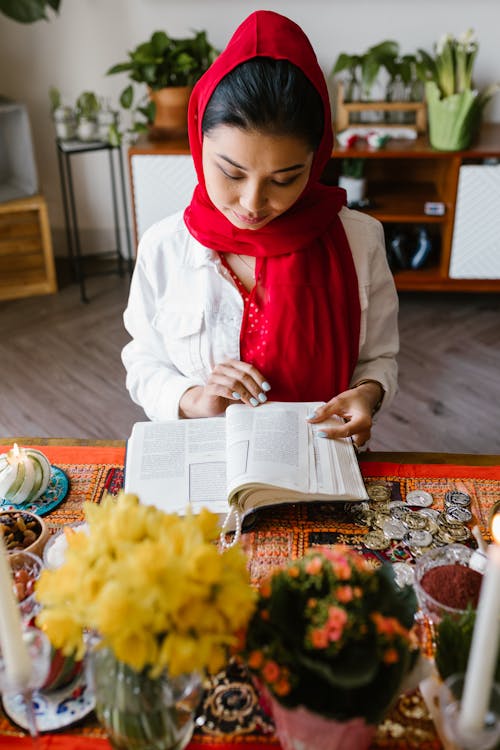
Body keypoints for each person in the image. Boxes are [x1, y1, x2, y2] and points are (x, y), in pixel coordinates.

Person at [122, 10, 398, 447]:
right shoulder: (166, 247)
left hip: (320, 459)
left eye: (285, 179)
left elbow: (378, 357)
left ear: (318, 157)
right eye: (231, 173)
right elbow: (143, 360)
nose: (252, 203)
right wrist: (193, 399)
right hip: (204, 464)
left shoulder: (358, 240)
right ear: (199, 141)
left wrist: (367, 394)